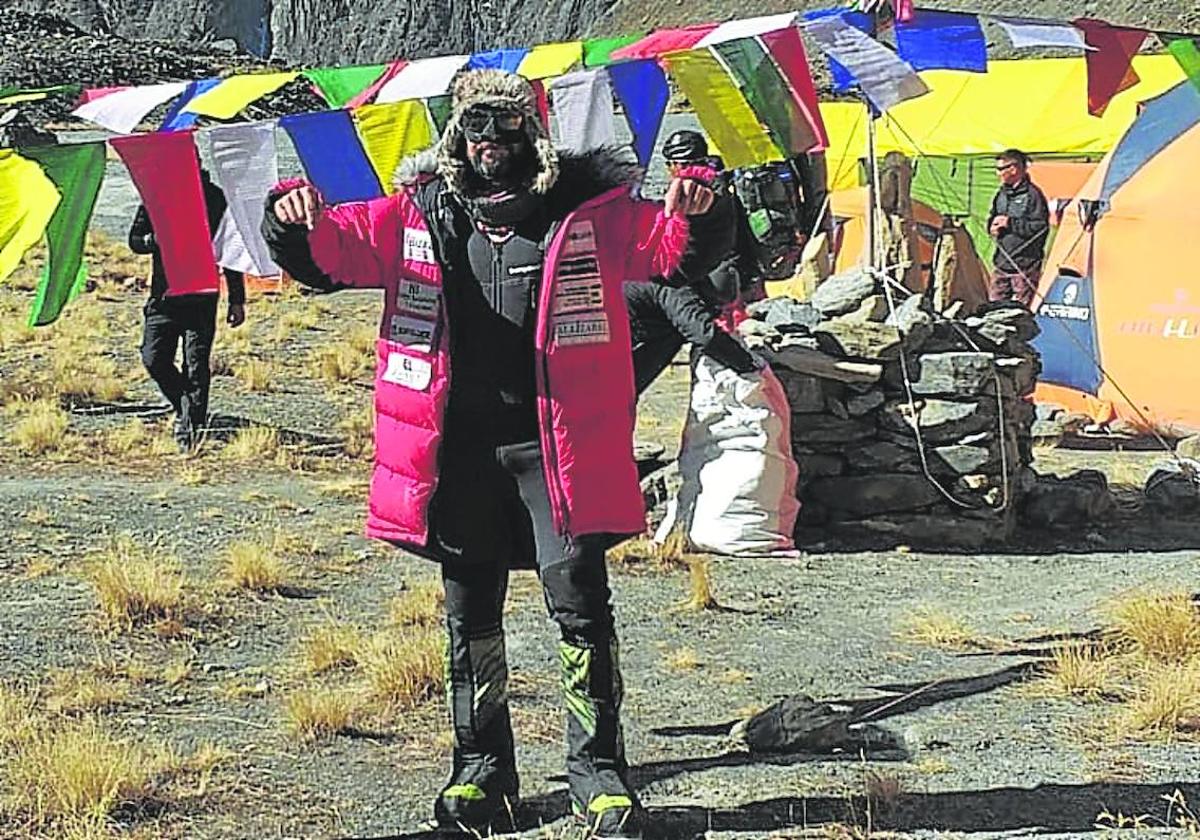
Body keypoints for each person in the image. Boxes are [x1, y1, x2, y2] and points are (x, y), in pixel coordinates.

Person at [261, 69, 716, 838]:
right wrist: (290, 216)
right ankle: (481, 773)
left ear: (533, 132)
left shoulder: (588, 209)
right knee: (470, 614)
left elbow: (667, 251)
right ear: (455, 135)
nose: (490, 144)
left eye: (506, 128)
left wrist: (696, 211)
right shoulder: (419, 211)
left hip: (559, 447)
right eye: (476, 129)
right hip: (459, 449)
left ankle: (599, 775)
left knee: (579, 606)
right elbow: (332, 254)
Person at [624, 130, 757, 395]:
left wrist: (747, 366)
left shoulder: (696, 193)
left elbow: (698, 325)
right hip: (724, 275)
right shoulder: (723, 183)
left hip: (712, 276)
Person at [129, 165, 245, 451]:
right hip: (164, 297)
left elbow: (230, 250)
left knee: (196, 365)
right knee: (154, 358)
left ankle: (190, 430)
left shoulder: (215, 197)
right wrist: (155, 240)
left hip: (201, 297)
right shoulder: (157, 197)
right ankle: (186, 407)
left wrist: (237, 299)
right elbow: (135, 240)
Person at [987, 149, 1049, 307]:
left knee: (1020, 313)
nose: (997, 173)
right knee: (993, 309)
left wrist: (1010, 223)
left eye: (1001, 169)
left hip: (1024, 267)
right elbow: (992, 216)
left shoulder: (1033, 195)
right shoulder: (1001, 194)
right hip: (1001, 263)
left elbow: (1040, 227)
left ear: (1013, 169)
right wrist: (992, 227)